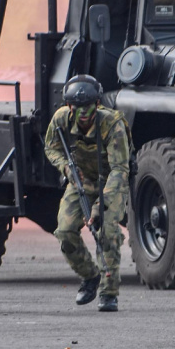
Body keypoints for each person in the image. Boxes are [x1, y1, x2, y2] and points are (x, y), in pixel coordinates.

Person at [44, 75, 132, 312]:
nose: (83, 112)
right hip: (80, 179)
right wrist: (65, 167)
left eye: (88, 106)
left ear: (97, 104)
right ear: (69, 106)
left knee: (107, 233)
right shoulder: (61, 118)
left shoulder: (112, 124)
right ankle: (90, 276)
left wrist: (99, 207)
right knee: (64, 231)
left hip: (110, 183)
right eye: (77, 106)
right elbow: (50, 147)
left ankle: (109, 292)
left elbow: (119, 169)